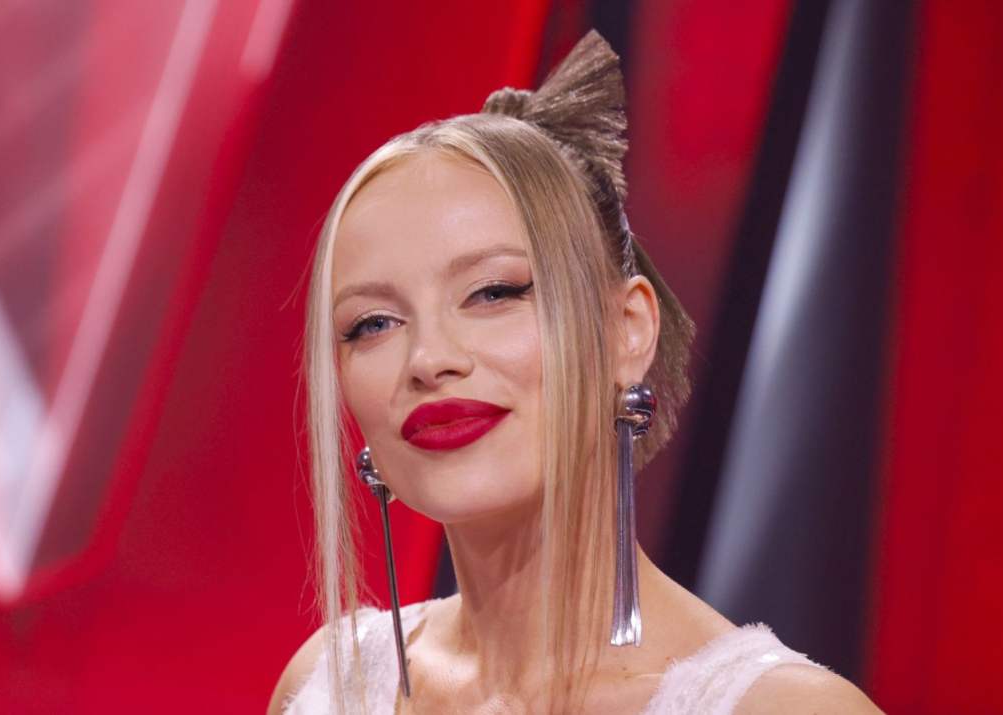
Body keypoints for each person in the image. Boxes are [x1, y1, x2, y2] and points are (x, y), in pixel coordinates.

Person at [269, 30, 881, 714]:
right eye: (372, 324)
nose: (429, 359)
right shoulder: (328, 684)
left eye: (494, 292)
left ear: (627, 329)